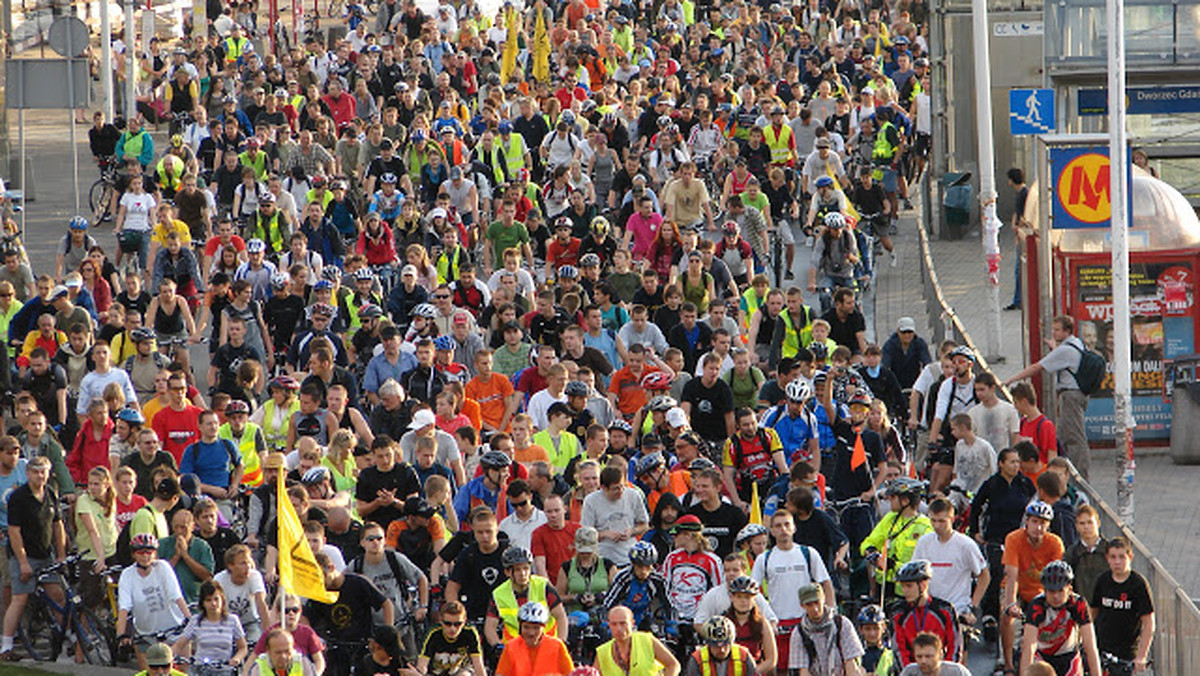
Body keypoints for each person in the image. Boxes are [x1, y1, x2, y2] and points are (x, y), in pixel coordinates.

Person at [1003, 316, 1092, 479]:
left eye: (1057, 330)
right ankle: (1070, 473)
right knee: (1068, 436)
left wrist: (1011, 379)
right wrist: (1054, 348)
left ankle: (1079, 478)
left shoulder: (1065, 350)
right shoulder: (1076, 343)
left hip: (1070, 395)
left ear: (1067, 331)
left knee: (1074, 438)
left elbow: (1037, 366)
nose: (1053, 333)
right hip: (1078, 394)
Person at [0, 457, 67, 661]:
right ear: (28, 473)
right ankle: (6, 644)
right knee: (19, 599)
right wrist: (23, 562)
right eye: (36, 471)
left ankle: (67, 637)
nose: (40, 476)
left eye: (44, 472)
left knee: (58, 595)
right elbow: (14, 532)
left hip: (45, 553)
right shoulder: (18, 498)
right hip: (24, 554)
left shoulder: (50, 494)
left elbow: (58, 526)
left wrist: (61, 554)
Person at [1000, 501, 1065, 676]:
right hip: (1018, 587)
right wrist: (1010, 604)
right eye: (1035, 522)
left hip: (1042, 590)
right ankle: (1007, 664)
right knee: (1007, 617)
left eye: (1043, 523)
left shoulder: (1054, 543)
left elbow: (1055, 578)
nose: (1038, 527)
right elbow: (1012, 575)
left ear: (1048, 525)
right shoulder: (1013, 539)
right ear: (1027, 522)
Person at [307, 550, 395, 676]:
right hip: (337, 648)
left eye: (321, 577)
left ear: (331, 568)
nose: (320, 583)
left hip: (363, 645)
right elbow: (306, 617)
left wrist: (386, 636)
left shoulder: (357, 583)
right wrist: (315, 640)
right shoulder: (320, 593)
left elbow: (387, 605)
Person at [116, 533, 192, 670]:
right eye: (141, 552)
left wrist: (189, 619)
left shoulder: (163, 567)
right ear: (134, 554)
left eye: (149, 552)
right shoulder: (127, 575)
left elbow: (176, 596)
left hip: (174, 629)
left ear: (155, 553)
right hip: (146, 634)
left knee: (182, 670)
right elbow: (124, 608)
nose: (145, 556)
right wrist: (121, 635)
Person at [910, 499, 989, 623]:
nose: (936, 526)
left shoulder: (966, 545)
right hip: (930, 611)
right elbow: (915, 575)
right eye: (933, 520)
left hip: (957, 611)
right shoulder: (924, 542)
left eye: (942, 521)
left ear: (952, 519)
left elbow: (984, 576)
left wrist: (972, 606)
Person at [1021, 560, 1102, 676]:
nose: (1055, 596)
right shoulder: (1037, 605)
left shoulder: (1078, 604)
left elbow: (1090, 645)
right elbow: (1029, 647)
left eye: (1060, 591)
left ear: (1069, 588)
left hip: (1069, 656)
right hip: (1043, 657)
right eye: (1051, 591)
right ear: (1044, 590)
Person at [1090, 537, 1154, 672]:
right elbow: (1092, 614)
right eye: (1113, 557)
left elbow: (1148, 622)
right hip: (1102, 649)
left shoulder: (1138, 584)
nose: (1117, 562)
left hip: (1126, 654)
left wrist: (1141, 656)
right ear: (1107, 558)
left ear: (1130, 557)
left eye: (1121, 557)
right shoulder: (1103, 581)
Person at [786, 583, 864, 676]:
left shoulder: (842, 624)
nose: (815, 609)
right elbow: (803, 670)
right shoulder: (799, 632)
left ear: (823, 599)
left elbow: (851, 661)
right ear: (802, 605)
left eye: (817, 602)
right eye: (809, 604)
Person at [171, 579, 249, 670]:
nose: (213, 604)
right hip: (202, 669)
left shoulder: (232, 620)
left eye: (216, 599)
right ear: (203, 603)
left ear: (222, 599)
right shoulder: (196, 621)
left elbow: (243, 647)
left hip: (224, 669)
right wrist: (166, 656)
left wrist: (236, 659)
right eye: (208, 600)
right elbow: (179, 645)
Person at [416, 598, 487, 676]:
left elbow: (478, 665)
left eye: (458, 624)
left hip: (460, 671)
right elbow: (422, 664)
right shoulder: (434, 633)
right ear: (441, 621)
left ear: (464, 621)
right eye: (447, 624)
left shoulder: (469, 632)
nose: (452, 629)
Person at [247, 628, 321, 676]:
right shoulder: (258, 667)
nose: (283, 656)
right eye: (278, 652)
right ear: (268, 651)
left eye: (287, 651)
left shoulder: (303, 663)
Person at [897, 633, 971, 676]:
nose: (923, 661)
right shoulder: (909, 672)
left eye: (928, 656)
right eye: (919, 656)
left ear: (940, 655)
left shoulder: (957, 672)